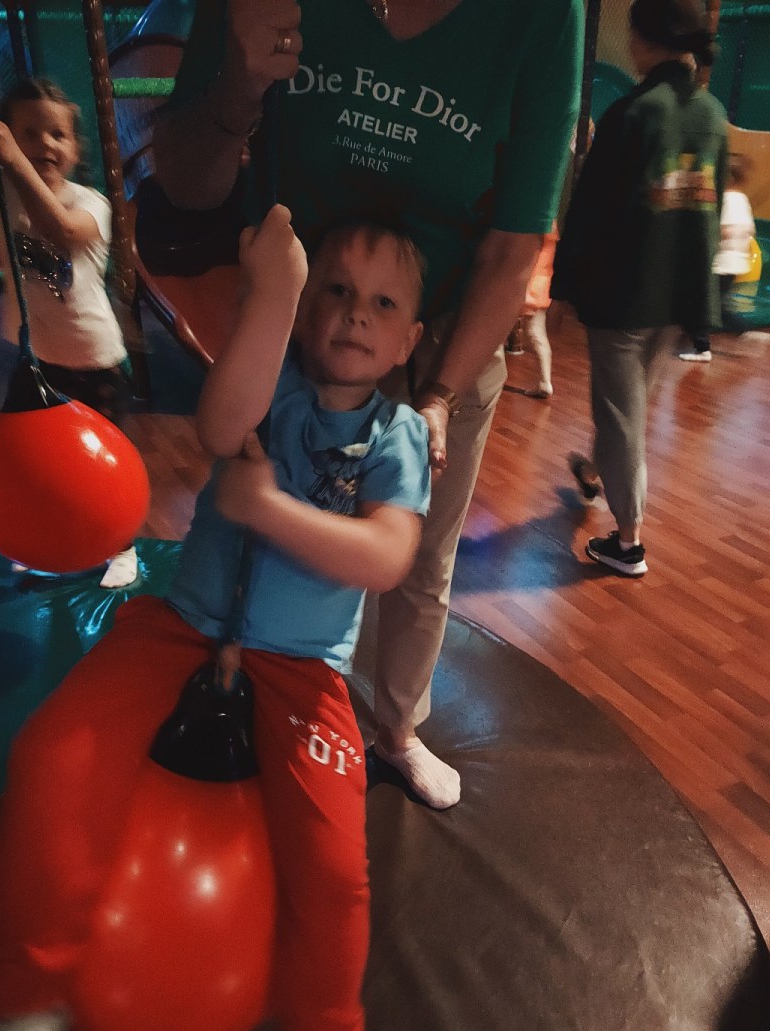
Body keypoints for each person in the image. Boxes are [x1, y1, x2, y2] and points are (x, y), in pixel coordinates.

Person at [0, 205, 431, 1031]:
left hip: (302, 673)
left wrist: (271, 510)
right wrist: (277, 291)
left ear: (409, 340)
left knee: (334, 871)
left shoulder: (396, 437)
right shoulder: (275, 385)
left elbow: (389, 556)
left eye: (383, 304)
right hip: (184, 627)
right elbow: (221, 425)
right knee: (51, 753)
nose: (355, 314)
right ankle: (23, 1011)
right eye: (337, 291)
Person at [148, 0, 583, 809]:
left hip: (440, 332)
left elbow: (514, 245)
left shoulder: (540, 16)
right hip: (292, 315)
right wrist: (237, 90)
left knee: (424, 556)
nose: (362, 316)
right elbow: (186, 185)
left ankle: (396, 728)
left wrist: (438, 395)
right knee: (252, 517)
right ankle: (247, 673)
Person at [549, 0, 728, 577]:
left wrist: (562, 286)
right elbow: (709, 211)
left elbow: (589, 211)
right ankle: (594, 473)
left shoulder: (631, 113)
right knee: (629, 407)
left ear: (645, 39)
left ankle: (627, 543)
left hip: (623, 295)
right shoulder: (713, 116)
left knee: (622, 415)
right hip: (677, 295)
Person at [0, 41, 138, 588]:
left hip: (96, 363)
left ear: (76, 149)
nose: (43, 145)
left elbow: (62, 231)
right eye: (28, 133)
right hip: (37, 361)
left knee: (105, 463)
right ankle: (47, 541)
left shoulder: (92, 204)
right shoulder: (2, 197)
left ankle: (121, 544)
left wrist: (12, 156)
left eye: (56, 134)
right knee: (40, 463)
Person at [680, 151, 756, 362]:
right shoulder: (742, 199)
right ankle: (744, 329)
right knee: (718, 305)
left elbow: (723, 229)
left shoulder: (727, 200)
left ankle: (702, 348)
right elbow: (749, 230)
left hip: (721, 264)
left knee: (704, 306)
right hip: (735, 264)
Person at [518, 225, 560, 398]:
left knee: (497, 330)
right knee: (537, 333)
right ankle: (545, 381)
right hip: (542, 285)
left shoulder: (535, 226)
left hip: (527, 285)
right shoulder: (551, 230)